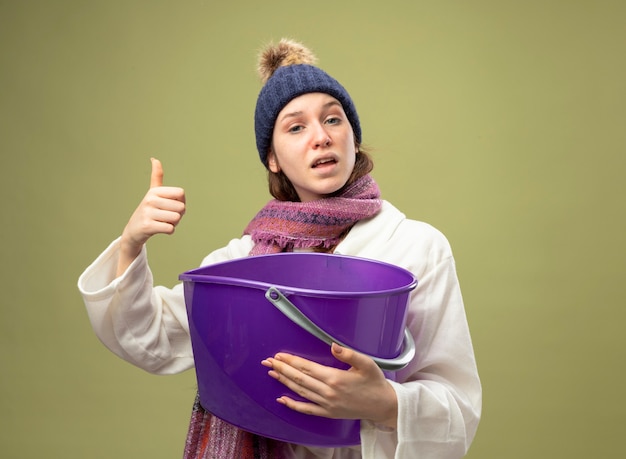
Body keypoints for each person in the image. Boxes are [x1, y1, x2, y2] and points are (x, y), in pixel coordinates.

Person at [78, 38, 481, 459]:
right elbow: (153, 339)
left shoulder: (417, 246)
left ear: (353, 138)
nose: (321, 138)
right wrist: (131, 243)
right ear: (273, 158)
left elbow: (458, 406)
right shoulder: (242, 261)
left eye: (333, 119)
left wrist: (384, 403)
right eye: (296, 127)